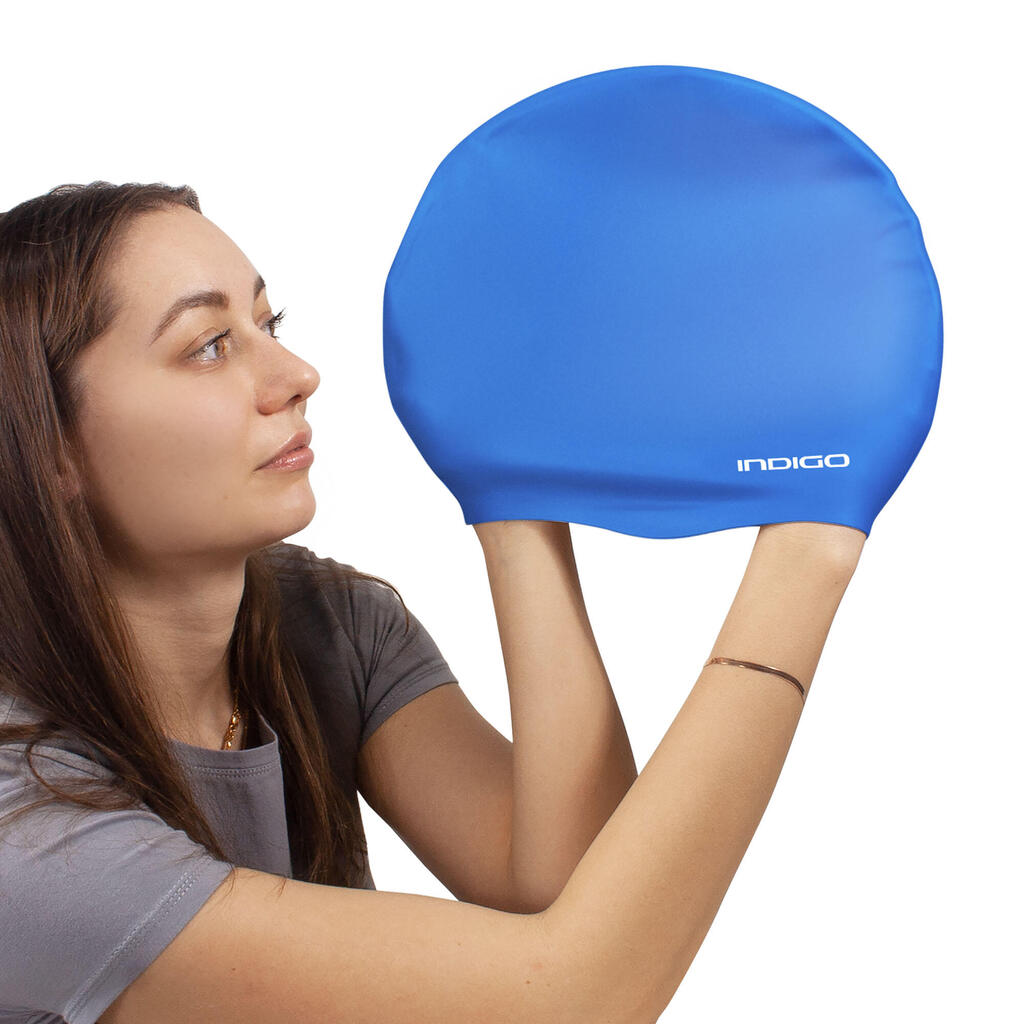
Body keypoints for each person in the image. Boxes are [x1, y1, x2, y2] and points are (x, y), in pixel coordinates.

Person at [0, 181, 867, 1023]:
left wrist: (511, 492)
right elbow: (572, 996)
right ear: (49, 447)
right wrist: (810, 550)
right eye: (210, 346)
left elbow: (582, 890)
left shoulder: (326, 623)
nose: (298, 374)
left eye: (270, 323)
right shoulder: (23, 827)